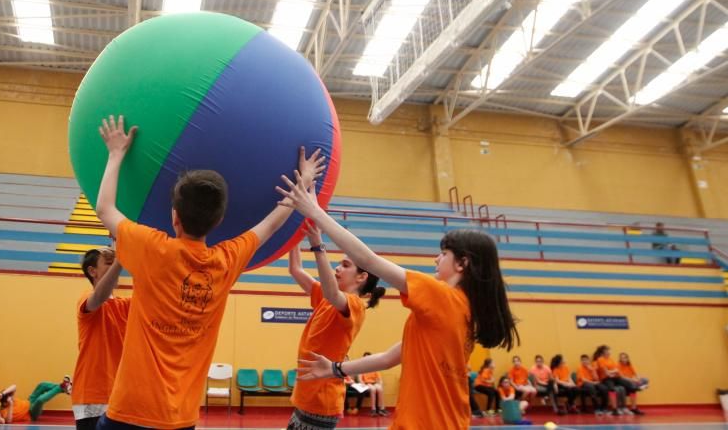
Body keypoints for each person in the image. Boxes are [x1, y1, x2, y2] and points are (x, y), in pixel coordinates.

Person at [94, 115, 324, 430]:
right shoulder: (226, 260)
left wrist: (116, 153)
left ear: (174, 216)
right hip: (181, 419)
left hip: (130, 413)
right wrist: (306, 180)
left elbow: (105, 208)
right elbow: (272, 222)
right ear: (219, 222)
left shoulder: (153, 248)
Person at [279, 173, 520, 430]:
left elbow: (370, 260)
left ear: (463, 263)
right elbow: (391, 357)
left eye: (443, 253)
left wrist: (315, 212)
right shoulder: (462, 311)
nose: (436, 259)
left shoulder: (442, 296)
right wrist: (336, 369)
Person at [287, 221, 384, 430]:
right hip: (304, 398)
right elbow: (295, 269)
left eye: (346, 265)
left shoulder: (355, 305)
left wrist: (318, 246)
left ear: (362, 277)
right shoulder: (325, 297)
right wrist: (292, 235)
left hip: (322, 402)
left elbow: (332, 294)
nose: (338, 268)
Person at [71, 247, 130, 430]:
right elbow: (99, 297)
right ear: (92, 271)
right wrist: (120, 260)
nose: (115, 268)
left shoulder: (125, 305)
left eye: (115, 263)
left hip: (120, 398)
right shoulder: (87, 299)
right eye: (109, 263)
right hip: (92, 396)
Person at [594, 345, 640, 415]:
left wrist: (611, 372)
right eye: (608, 350)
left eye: (609, 350)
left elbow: (617, 370)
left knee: (632, 387)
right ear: (604, 352)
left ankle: (634, 408)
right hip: (606, 379)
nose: (609, 352)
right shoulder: (600, 359)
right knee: (611, 389)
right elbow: (606, 373)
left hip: (615, 377)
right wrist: (612, 372)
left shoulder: (611, 359)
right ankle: (614, 409)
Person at [0, 383, 69, 424]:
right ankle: (61, 387)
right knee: (40, 400)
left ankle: (65, 388)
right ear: (5, 403)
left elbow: (14, 386)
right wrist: (11, 404)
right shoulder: (4, 411)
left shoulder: (8, 397)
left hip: (30, 401)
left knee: (42, 385)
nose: (12, 396)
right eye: (10, 396)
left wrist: (3, 394)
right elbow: (8, 421)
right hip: (31, 413)